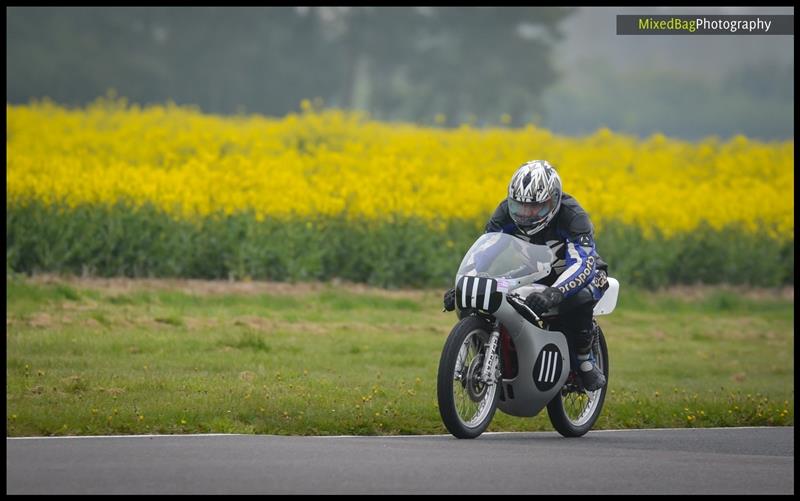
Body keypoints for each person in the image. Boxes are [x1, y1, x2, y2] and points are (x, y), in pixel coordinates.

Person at [443, 159, 609, 391]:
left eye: (534, 207)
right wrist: (465, 283)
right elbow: (485, 249)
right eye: (519, 206)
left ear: (553, 200)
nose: (525, 214)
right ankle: (492, 351)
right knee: (486, 293)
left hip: (583, 274)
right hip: (536, 272)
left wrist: (556, 293)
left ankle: (584, 361)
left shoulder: (573, 216)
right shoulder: (505, 212)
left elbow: (583, 263)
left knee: (578, 299)